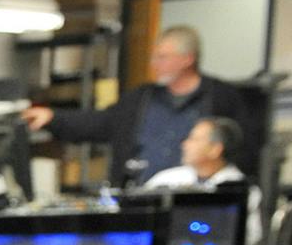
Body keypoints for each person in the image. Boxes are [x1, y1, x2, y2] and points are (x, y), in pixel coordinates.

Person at [25, 26, 258, 184]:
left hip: (195, 203)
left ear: (188, 59)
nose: (154, 64)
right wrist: (54, 118)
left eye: (163, 57)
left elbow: (243, 149)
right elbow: (100, 123)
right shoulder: (140, 99)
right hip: (141, 198)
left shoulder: (223, 98)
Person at [143, 116, 261, 245]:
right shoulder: (166, 179)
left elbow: (250, 238)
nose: (185, 144)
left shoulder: (241, 189)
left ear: (215, 149)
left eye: (194, 139)